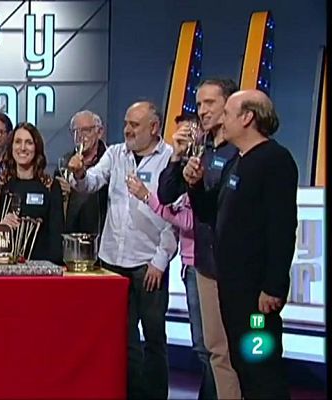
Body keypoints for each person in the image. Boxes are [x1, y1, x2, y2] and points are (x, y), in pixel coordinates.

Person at [185, 89, 297, 399]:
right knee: (242, 366)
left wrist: (273, 286)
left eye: (227, 113)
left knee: (261, 369)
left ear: (247, 117)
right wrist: (195, 185)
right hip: (232, 288)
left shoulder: (275, 161)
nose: (221, 120)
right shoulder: (238, 162)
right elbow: (210, 213)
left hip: (256, 295)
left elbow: (282, 228)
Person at [68, 100, 177, 399]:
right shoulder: (116, 154)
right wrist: (79, 174)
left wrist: (160, 260)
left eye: (134, 125)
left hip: (148, 263)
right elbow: (91, 183)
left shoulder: (169, 159)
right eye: (126, 123)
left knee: (154, 337)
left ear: (154, 128)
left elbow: (175, 215)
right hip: (113, 260)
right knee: (123, 337)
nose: (127, 129)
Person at [158, 78, 241, 399]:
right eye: (199, 103)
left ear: (230, 104)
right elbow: (166, 194)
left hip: (235, 266)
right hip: (204, 264)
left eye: (210, 103)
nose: (202, 110)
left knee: (236, 351)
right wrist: (176, 157)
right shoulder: (200, 149)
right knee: (210, 349)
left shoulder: (241, 151)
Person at [126, 175, 215, 399]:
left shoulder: (208, 178)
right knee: (203, 347)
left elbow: (189, 221)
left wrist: (147, 197)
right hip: (191, 265)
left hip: (205, 266)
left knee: (210, 349)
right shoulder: (181, 175)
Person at [0, 122, 64, 264]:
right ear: (11, 147)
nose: (23, 148)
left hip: (40, 266)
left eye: (29, 143)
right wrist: (1, 226)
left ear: (36, 147)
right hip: (4, 265)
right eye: (18, 142)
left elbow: (56, 239)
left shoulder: (50, 186)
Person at [54, 110, 108, 240]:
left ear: (99, 132)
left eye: (86, 130)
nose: (80, 136)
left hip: (102, 236)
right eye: (75, 131)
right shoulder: (64, 163)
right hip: (72, 236)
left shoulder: (110, 161)